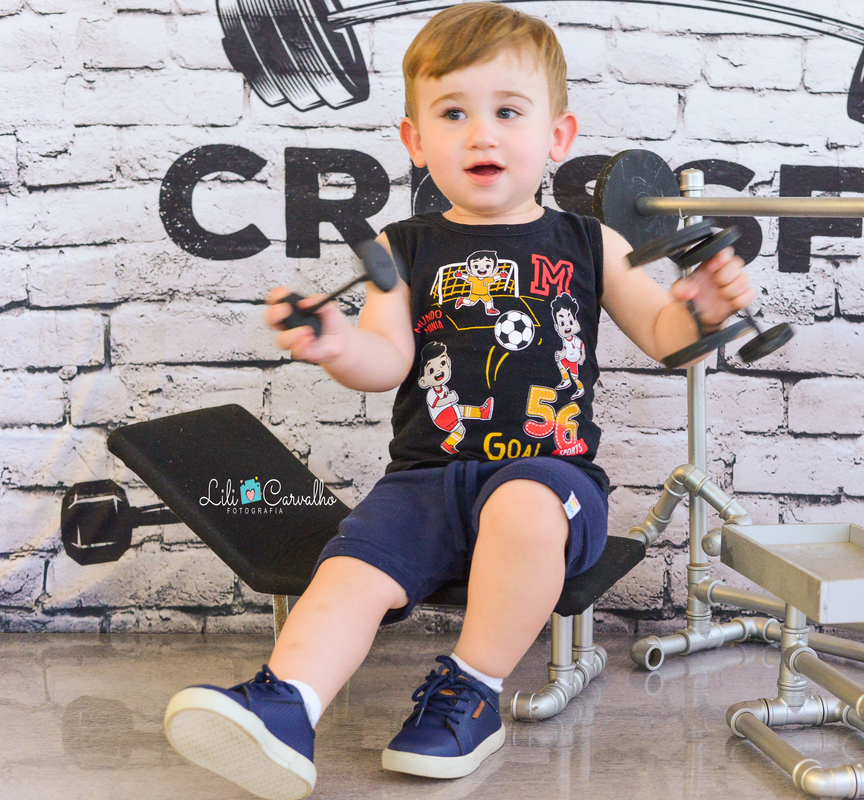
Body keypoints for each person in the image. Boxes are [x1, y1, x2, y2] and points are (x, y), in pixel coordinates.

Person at [161, 4, 754, 799]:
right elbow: (388, 359)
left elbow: (662, 333)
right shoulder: (403, 250)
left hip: (554, 484)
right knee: (350, 568)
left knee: (523, 505)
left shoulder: (588, 241)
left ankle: (467, 695)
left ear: (557, 137)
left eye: (508, 112)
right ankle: (285, 704)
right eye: (453, 113)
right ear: (414, 141)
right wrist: (338, 345)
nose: (482, 135)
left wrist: (703, 310)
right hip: (427, 480)